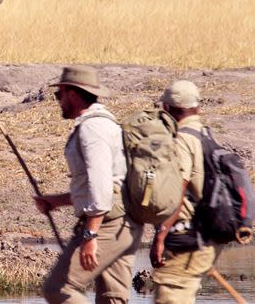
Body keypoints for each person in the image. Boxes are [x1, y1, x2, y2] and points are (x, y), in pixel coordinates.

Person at [36, 65, 143, 304]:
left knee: (59, 288)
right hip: (125, 224)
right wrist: (55, 201)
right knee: (112, 299)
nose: (58, 102)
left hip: (107, 224)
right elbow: (101, 185)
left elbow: (101, 186)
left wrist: (90, 235)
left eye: (59, 95)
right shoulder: (105, 123)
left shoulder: (92, 129)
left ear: (73, 94)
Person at [150, 80, 221, 303]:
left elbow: (176, 193)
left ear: (169, 110)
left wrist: (160, 236)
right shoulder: (205, 134)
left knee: (169, 298)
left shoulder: (182, 139)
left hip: (185, 237)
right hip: (206, 237)